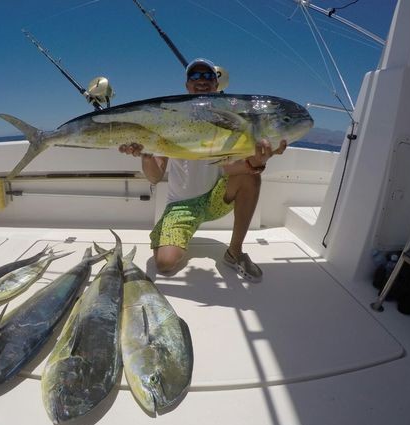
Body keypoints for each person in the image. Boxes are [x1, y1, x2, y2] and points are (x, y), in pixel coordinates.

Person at [119, 58, 286, 281]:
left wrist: (256, 162)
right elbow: (155, 176)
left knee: (251, 176)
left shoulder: (229, 122)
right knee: (165, 264)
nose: (201, 80)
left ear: (216, 85)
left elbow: (229, 167)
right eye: (195, 76)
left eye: (208, 76)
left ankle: (235, 252)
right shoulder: (170, 120)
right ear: (187, 85)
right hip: (182, 206)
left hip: (215, 198)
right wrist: (146, 154)